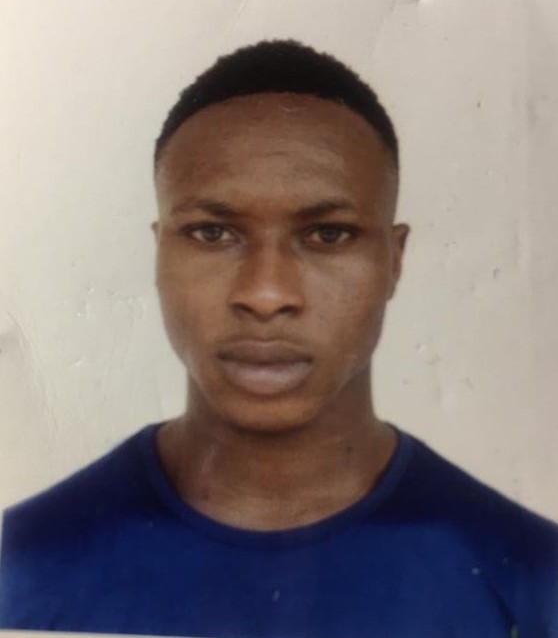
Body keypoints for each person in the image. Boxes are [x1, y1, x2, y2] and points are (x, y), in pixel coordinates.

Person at [0, 39, 556, 638]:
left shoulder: (533, 577)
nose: (266, 295)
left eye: (329, 235)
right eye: (212, 233)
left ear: (393, 261)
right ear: (160, 251)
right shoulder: (22, 565)